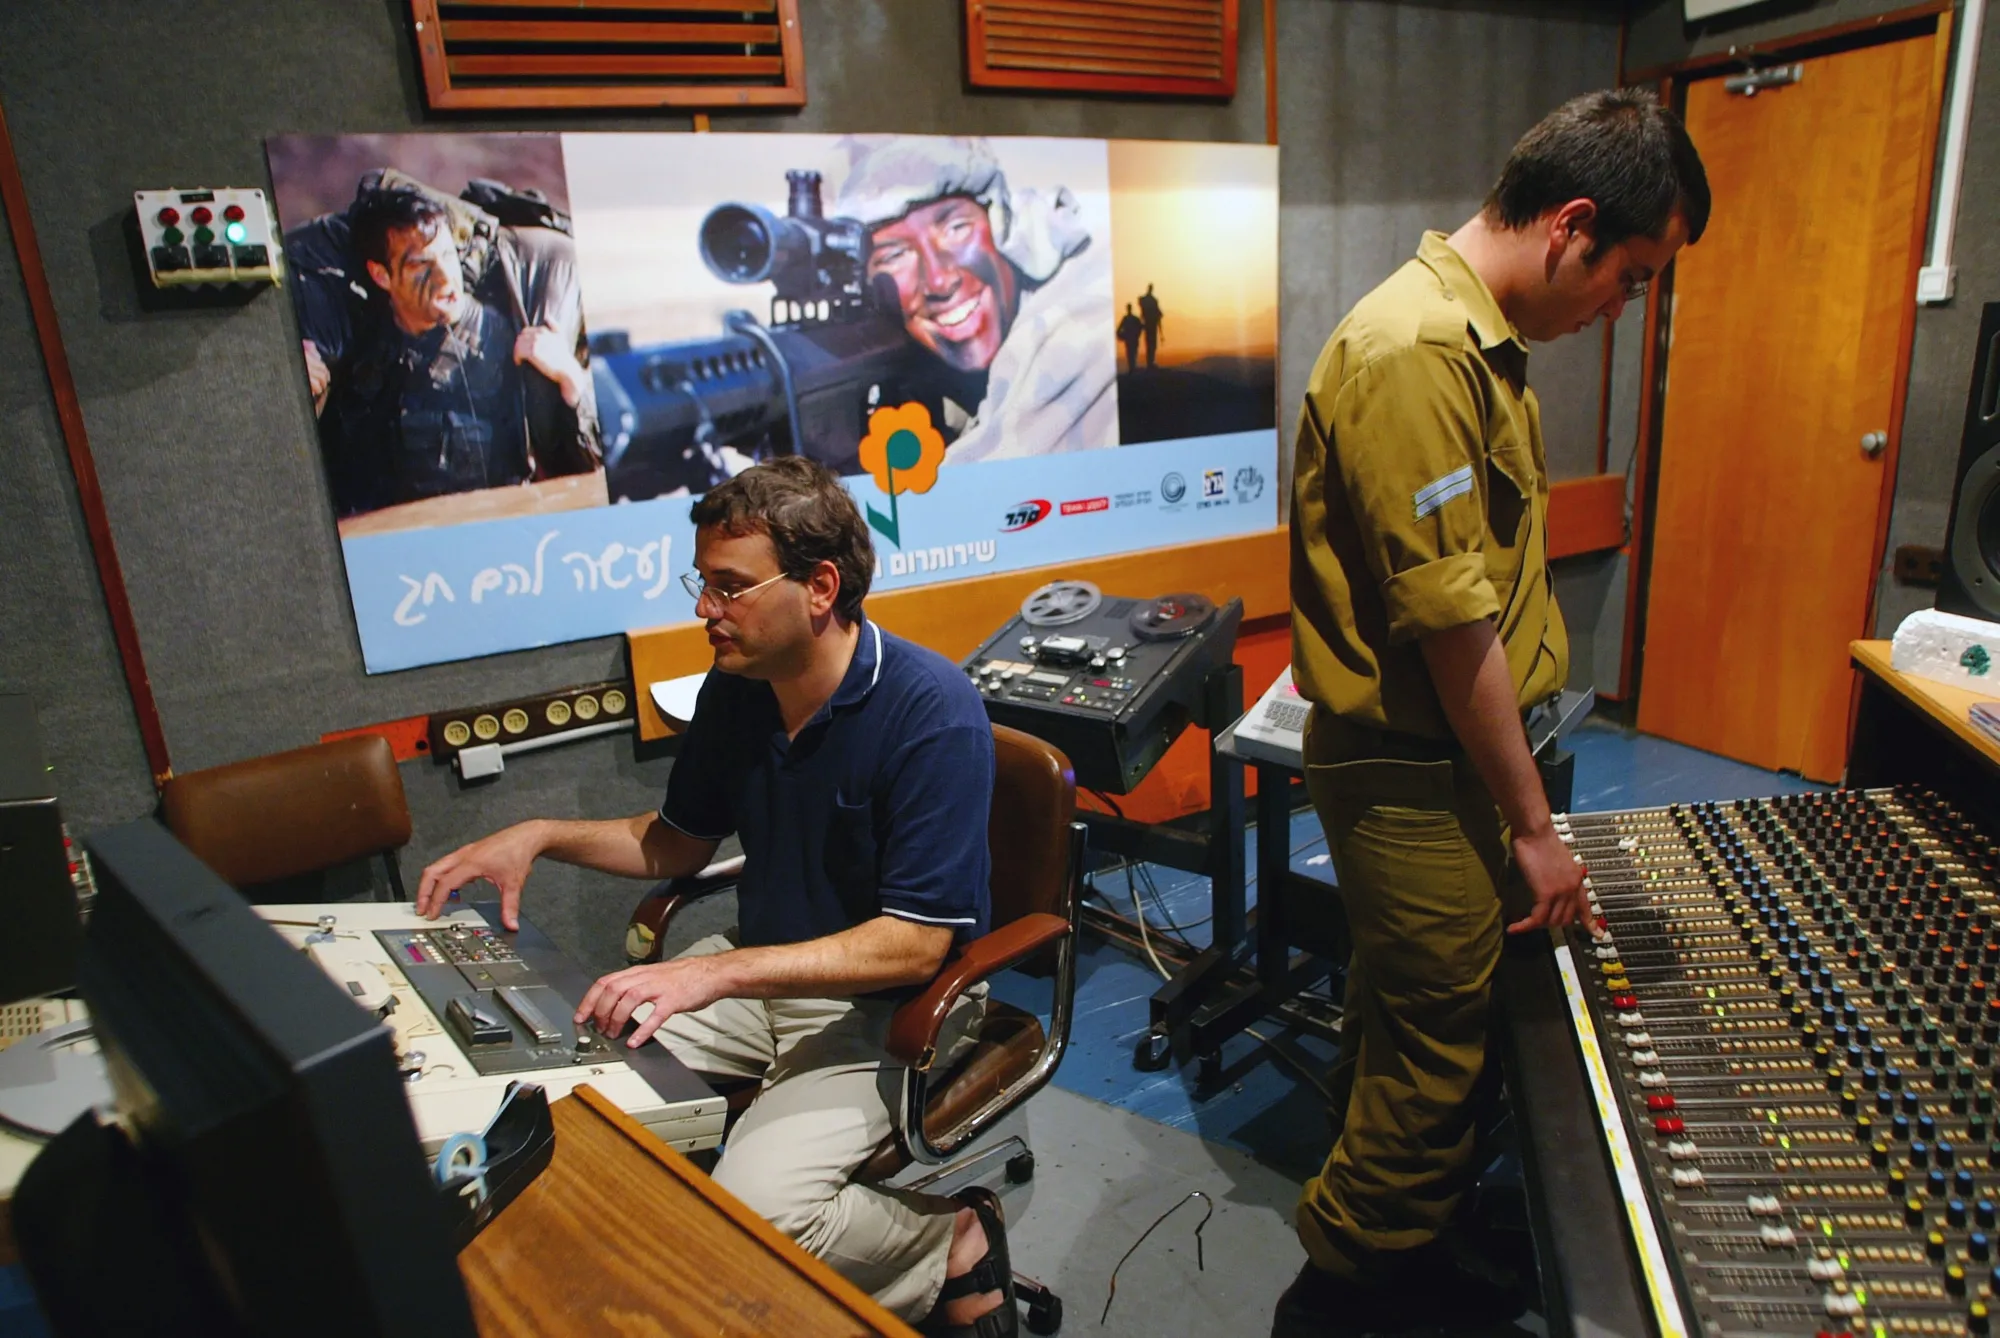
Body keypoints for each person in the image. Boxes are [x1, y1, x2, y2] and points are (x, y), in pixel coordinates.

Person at [1276, 89, 1710, 1334]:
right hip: (1412, 768)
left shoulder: (1473, 343)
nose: (1618, 307)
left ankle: (1411, 1260)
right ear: (1570, 225)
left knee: (1409, 1018)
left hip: (1451, 762)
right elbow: (1450, 620)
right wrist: (1533, 824)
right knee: (1434, 1052)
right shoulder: (1412, 351)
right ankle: (1341, 1300)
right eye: (1626, 276)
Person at [412, 457, 1017, 1336]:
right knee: (565, 1105)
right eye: (704, 583)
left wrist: (717, 976)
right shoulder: (738, 692)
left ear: (819, 587)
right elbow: (674, 841)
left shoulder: (932, 712)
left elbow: (916, 945)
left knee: (758, 1215)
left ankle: (951, 1239)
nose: (704, 610)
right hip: (764, 981)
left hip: (900, 1005)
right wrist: (541, 834)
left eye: (730, 588)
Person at [291, 183, 601, 516]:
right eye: (421, 266)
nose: (445, 280)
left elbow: (591, 469)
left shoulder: (512, 340)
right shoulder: (363, 353)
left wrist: (571, 380)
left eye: (448, 255)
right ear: (381, 276)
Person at [833, 135, 1117, 463]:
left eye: (957, 228)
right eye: (895, 255)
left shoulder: (1071, 315)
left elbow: (983, 489)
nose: (939, 280)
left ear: (1000, 224)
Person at [1137, 283, 1163, 369]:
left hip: (1149, 324)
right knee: (1151, 343)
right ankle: (1150, 362)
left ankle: (1150, 362)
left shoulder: (1147, 300)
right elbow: (1157, 314)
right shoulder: (1152, 300)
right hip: (1151, 324)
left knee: (1150, 343)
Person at [1117, 303, 1144, 374]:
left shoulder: (1126, 319)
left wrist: (1121, 336)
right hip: (1132, 339)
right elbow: (1141, 327)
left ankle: (1132, 367)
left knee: (1131, 353)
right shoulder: (1134, 319)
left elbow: (1119, 329)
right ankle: (1132, 367)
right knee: (1132, 353)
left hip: (1130, 339)